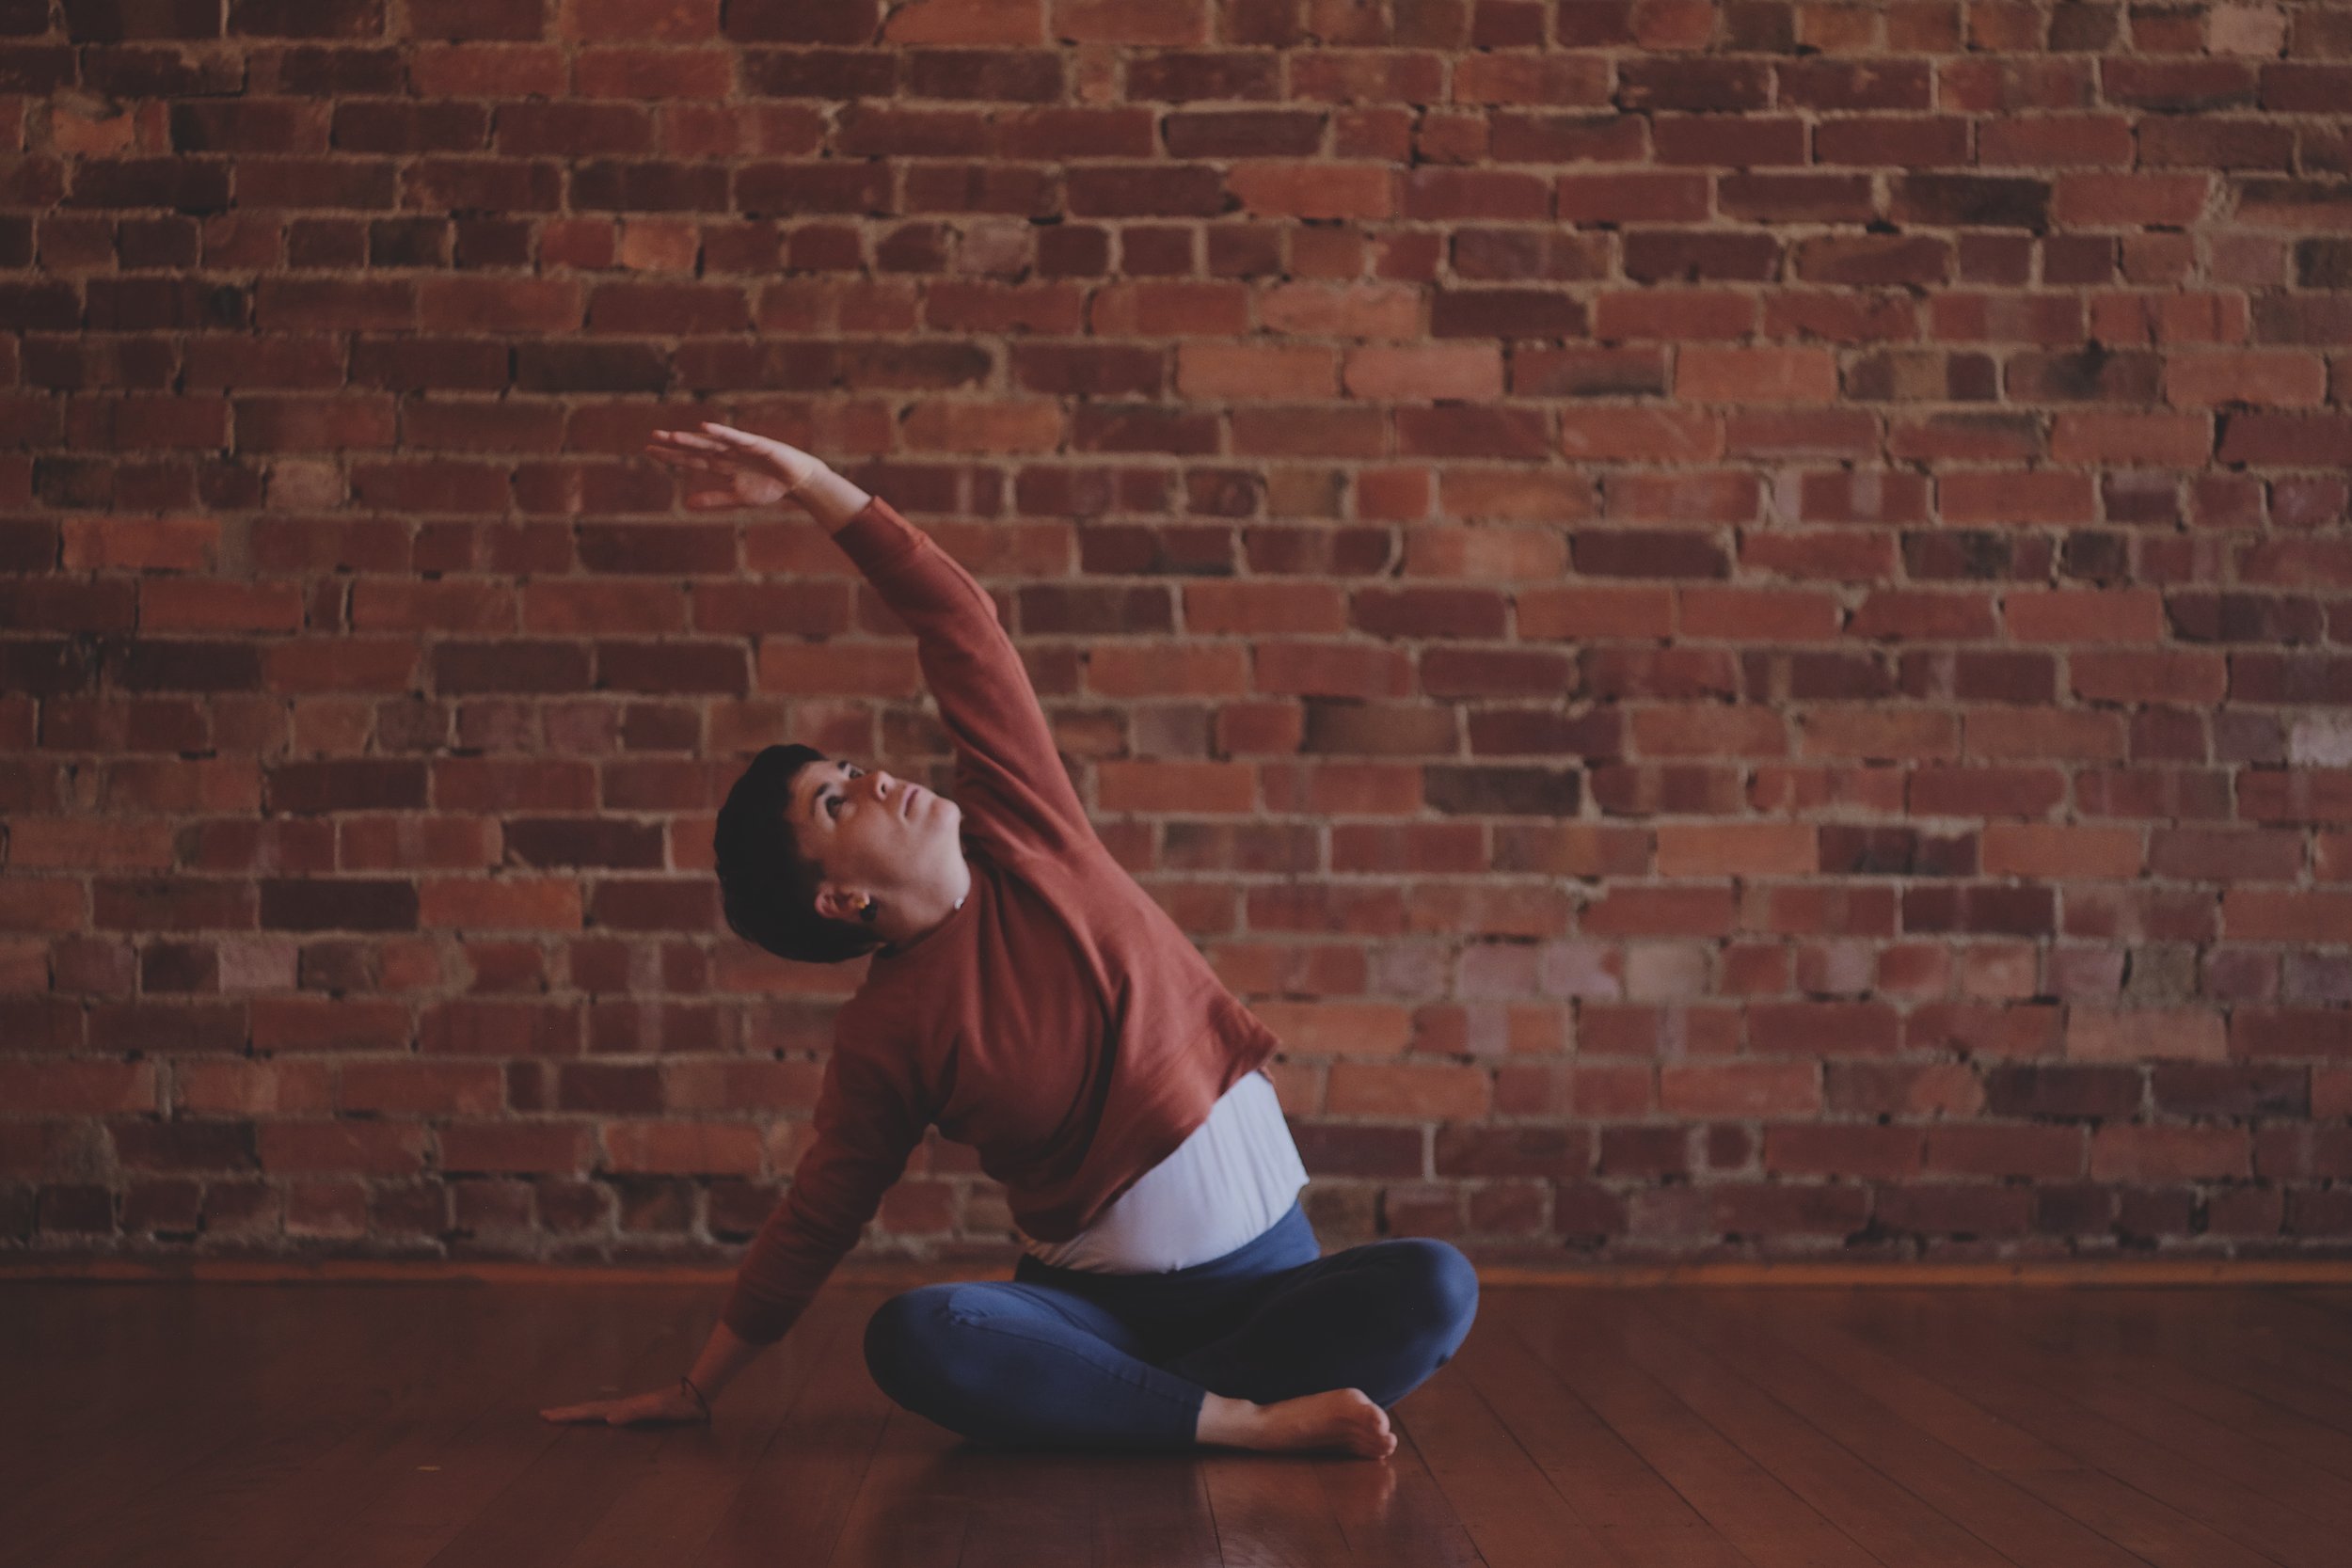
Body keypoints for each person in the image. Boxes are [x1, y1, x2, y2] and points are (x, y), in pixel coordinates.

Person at [540, 423, 1478, 1456]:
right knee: (918, 1332)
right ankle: (1229, 1421)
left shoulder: (1027, 826)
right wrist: (697, 1383)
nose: (878, 778)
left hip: (1272, 1293)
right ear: (840, 901)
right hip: (1100, 1311)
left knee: (1436, 1283)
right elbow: (818, 1216)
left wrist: (811, 483)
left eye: (851, 766)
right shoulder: (886, 1032)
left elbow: (960, 621)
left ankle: (1142, 1410)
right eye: (838, 802)